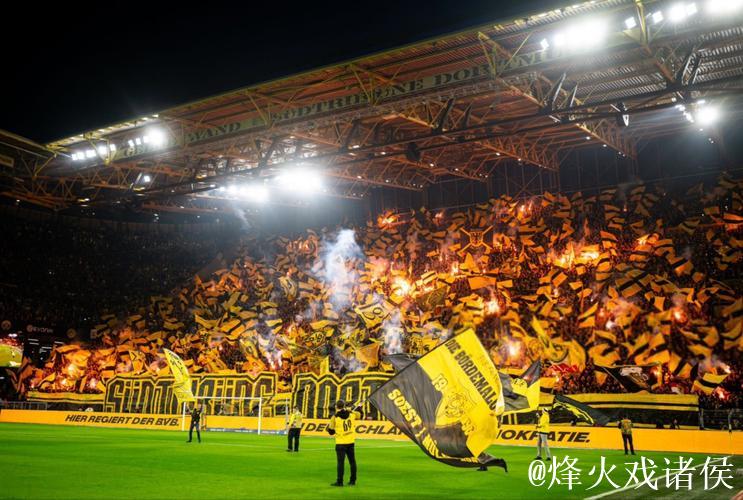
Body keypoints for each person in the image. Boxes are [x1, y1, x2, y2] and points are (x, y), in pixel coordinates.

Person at [327, 400, 359, 487]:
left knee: (340, 463)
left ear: (336, 407)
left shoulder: (334, 417)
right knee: (352, 462)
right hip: (350, 442)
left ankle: (340, 481)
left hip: (341, 442)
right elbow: (359, 415)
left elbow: (331, 432)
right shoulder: (351, 415)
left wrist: (330, 428)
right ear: (344, 406)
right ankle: (353, 480)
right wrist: (350, 410)